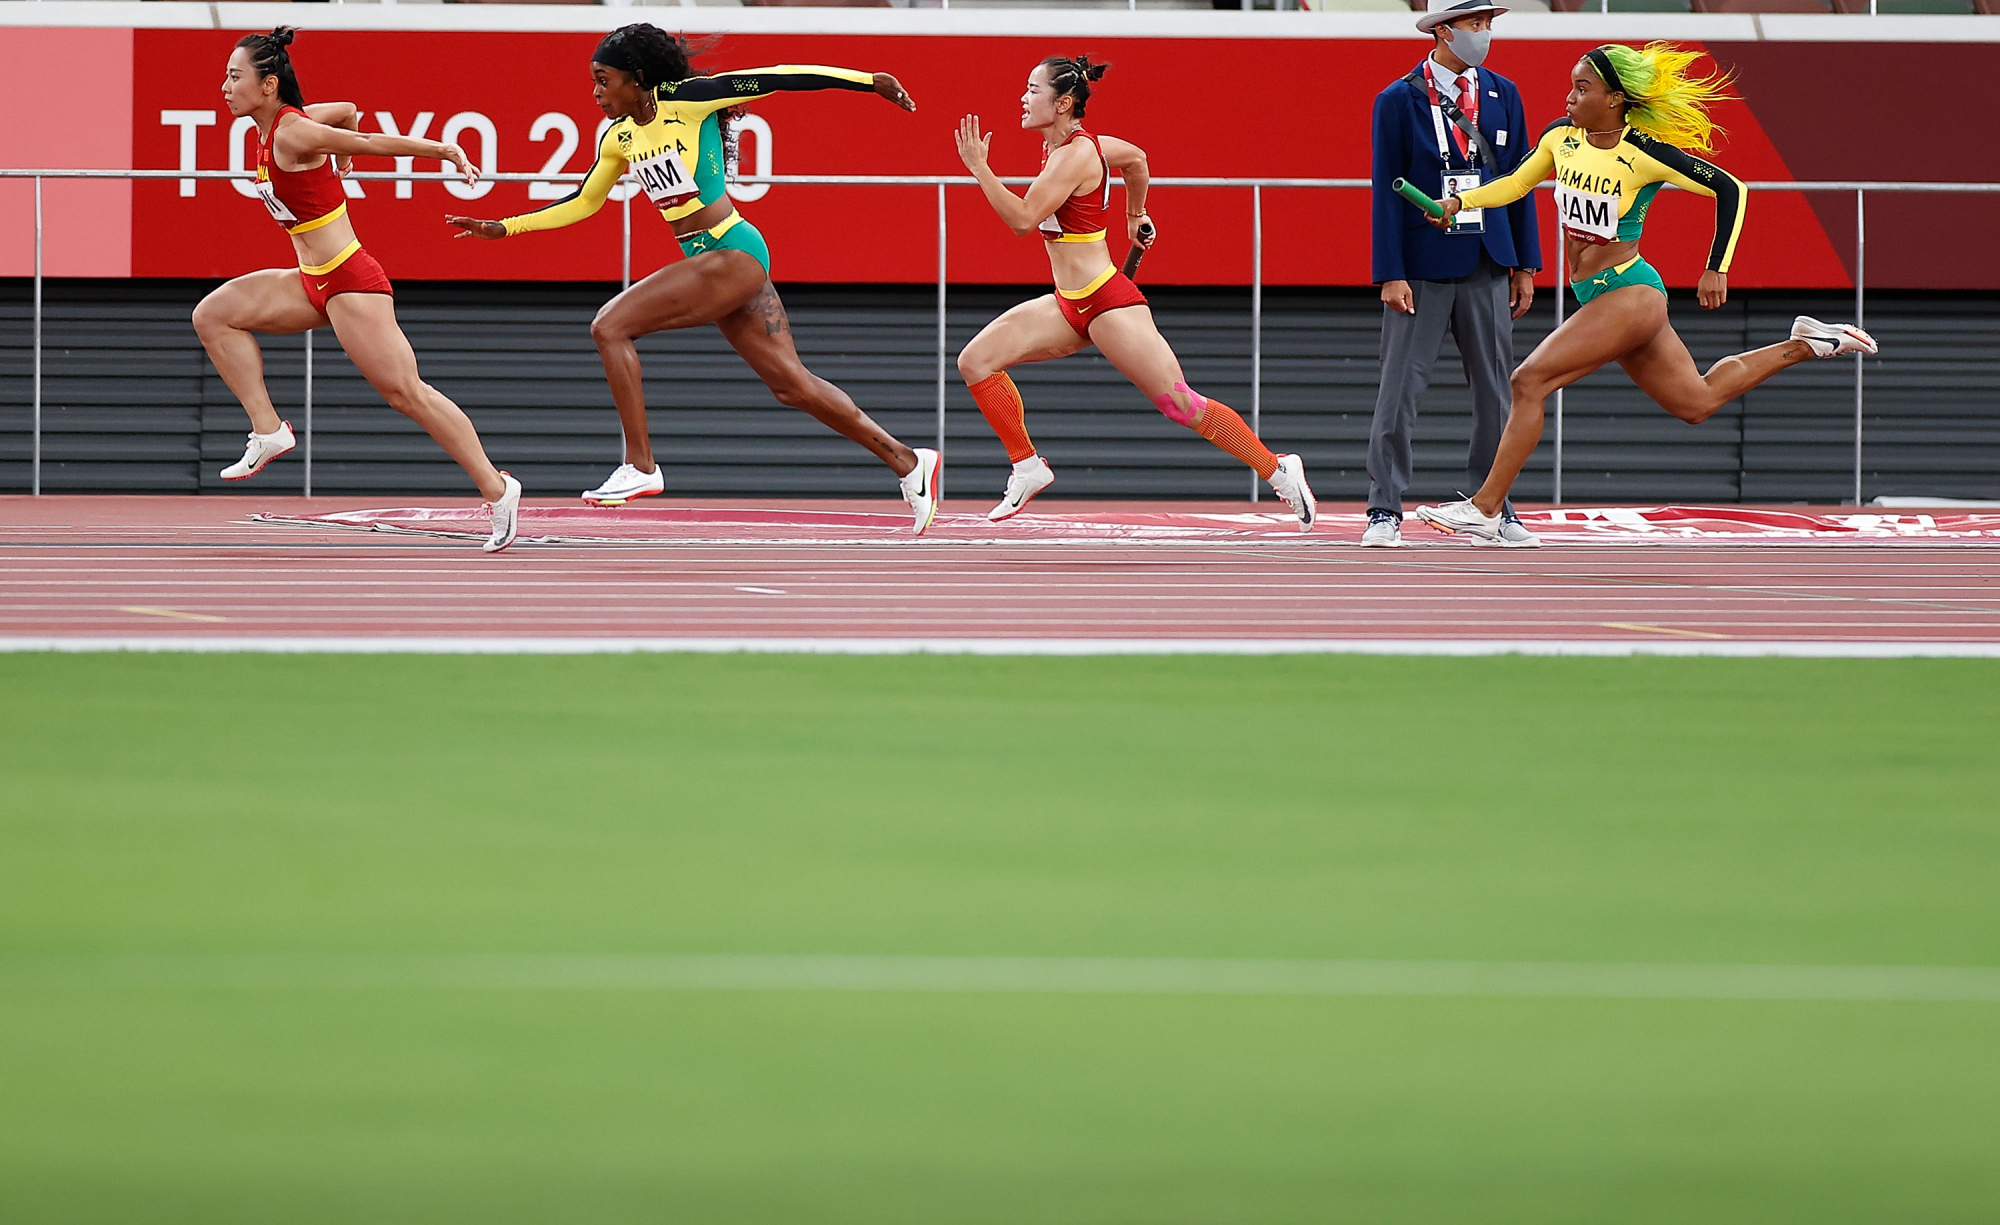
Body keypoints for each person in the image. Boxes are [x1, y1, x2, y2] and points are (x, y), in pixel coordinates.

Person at [447, 26, 943, 534]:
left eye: (604, 80)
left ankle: (640, 466)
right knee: (792, 386)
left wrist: (867, 81)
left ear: (637, 78)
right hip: (710, 262)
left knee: (609, 327)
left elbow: (779, 78)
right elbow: (582, 202)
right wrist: (503, 227)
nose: (595, 92)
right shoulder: (619, 137)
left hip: (733, 251)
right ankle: (909, 462)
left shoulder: (688, 100)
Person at [1414, 42, 1876, 542]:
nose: (1569, 97)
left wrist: (1716, 266)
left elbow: (1731, 189)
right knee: (1695, 401)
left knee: (1528, 381)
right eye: (1571, 86)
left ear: (1614, 99)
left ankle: (1486, 509)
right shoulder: (1560, 138)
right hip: (1599, 295)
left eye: (1582, 88)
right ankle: (1809, 342)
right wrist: (1457, 202)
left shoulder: (1644, 153)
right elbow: (1513, 185)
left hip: (1632, 293)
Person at [953, 55, 1317, 531]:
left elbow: (1022, 220)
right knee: (975, 362)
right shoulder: (1077, 147)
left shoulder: (1075, 154)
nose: (1023, 99)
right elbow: (1136, 158)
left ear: (1063, 104)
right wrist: (1135, 214)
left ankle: (1278, 468)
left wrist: (980, 169)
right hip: (1067, 304)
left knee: (1180, 404)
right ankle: (1027, 466)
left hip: (1107, 302)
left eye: (1032, 89)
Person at [195, 27, 521, 552]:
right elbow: (347, 110)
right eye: (225, 76)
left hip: (350, 280)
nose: (224, 87)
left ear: (268, 84)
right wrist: (341, 159)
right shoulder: (276, 124)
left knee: (407, 394)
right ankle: (269, 430)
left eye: (236, 77)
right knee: (213, 315)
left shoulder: (293, 134)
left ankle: (498, 488)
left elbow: (366, 140)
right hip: (309, 280)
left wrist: (443, 150)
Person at [1368, 0, 1541, 549]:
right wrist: (1389, 273)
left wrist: (1525, 264)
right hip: (1421, 266)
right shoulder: (1398, 99)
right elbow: (1384, 191)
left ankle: (1495, 506)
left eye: (1489, 24)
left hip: (1489, 258)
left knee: (1497, 392)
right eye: (1474, 24)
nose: (1484, 34)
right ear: (1442, 31)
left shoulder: (1503, 93)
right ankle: (1383, 510)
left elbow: (1520, 180)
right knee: (1400, 391)